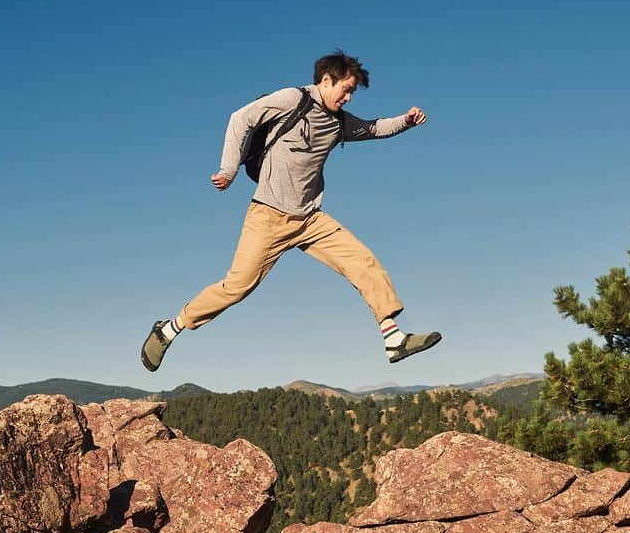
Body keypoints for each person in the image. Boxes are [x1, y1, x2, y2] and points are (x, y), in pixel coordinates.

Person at [141, 51, 441, 372]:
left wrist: (406, 121)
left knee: (362, 261)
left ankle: (393, 339)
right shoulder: (291, 100)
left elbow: (373, 128)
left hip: (311, 220)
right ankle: (170, 328)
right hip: (268, 216)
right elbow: (239, 119)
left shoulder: (338, 122)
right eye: (346, 89)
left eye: (353, 92)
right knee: (236, 288)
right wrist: (228, 169)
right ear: (327, 80)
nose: (349, 97)